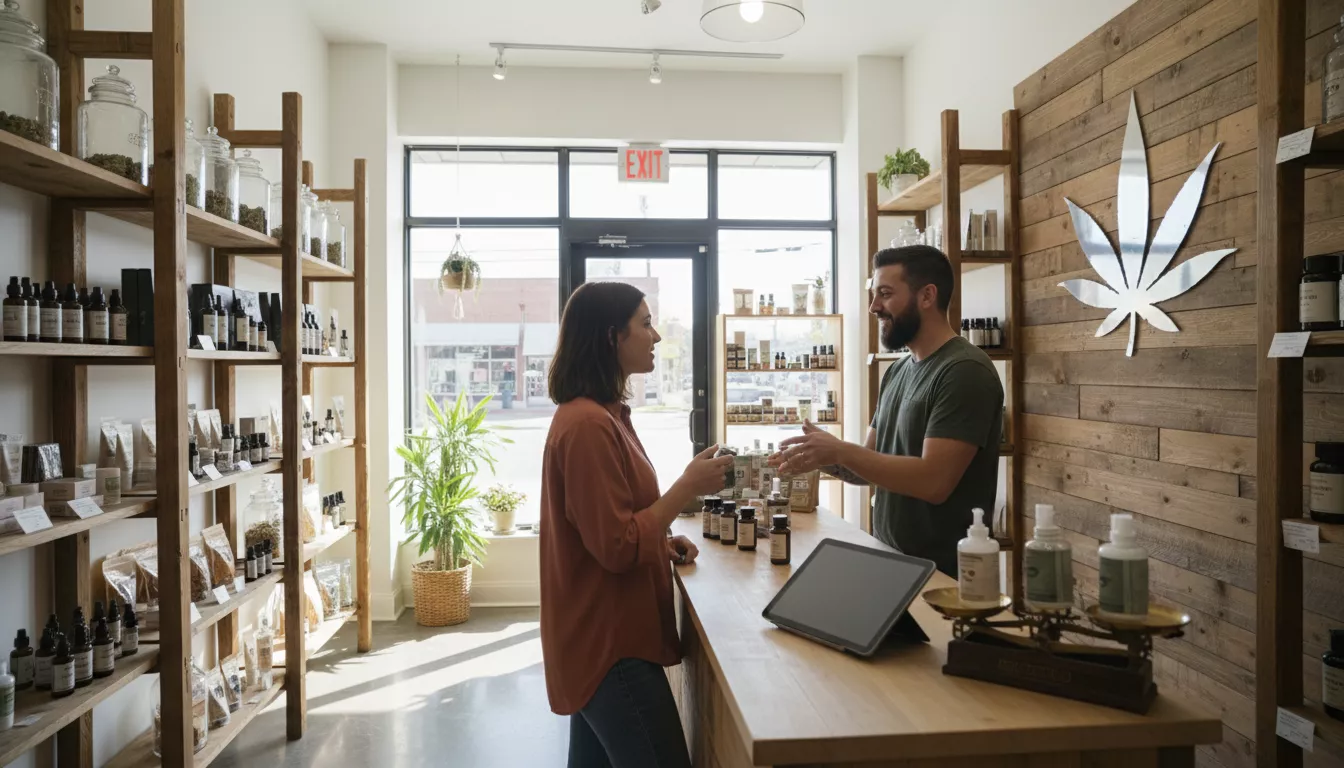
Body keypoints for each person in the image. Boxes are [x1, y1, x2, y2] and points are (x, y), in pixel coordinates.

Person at [540, 280, 733, 768]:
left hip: (601, 639)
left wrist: (661, 543)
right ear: (612, 337)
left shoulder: (606, 416)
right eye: (645, 324)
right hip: (610, 648)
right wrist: (687, 486)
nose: (657, 336)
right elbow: (617, 547)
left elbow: (612, 526)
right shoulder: (587, 426)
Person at [770, 245, 1003, 575]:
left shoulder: (964, 371)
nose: (873, 307)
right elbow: (870, 464)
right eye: (874, 294)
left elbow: (934, 483)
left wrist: (839, 450)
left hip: (947, 579)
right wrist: (825, 456)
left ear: (927, 296)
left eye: (885, 294)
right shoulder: (897, 371)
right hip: (891, 565)